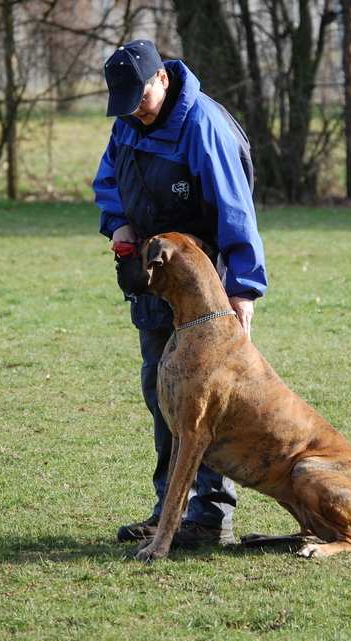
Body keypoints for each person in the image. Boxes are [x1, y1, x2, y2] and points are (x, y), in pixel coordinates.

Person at [93, 39, 267, 548]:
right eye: (124, 103)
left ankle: (209, 517)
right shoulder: (127, 120)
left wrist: (244, 289)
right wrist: (119, 223)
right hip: (154, 276)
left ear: (162, 79)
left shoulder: (202, 126)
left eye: (140, 98)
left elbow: (236, 209)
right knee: (161, 391)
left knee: (207, 398)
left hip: (204, 281)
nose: (134, 112)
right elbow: (109, 180)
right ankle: (168, 507)